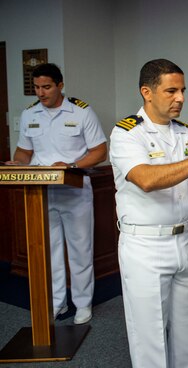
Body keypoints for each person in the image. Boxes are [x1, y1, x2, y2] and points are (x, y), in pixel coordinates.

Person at [109, 58, 188, 368]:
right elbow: (147, 179)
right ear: (147, 92)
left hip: (187, 240)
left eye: (182, 90)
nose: (180, 98)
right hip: (145, 246)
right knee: (149, 334)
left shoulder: (185, 133)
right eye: (171, 91)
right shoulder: (127, 133)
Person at [7, 63, 107, 325]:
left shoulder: (81, 112)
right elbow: (24, 152)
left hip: (74, 191)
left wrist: (72, 165)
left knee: (80, 251)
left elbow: (99, 151)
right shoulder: (30, 114)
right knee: (48, 252)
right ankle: (57, 303)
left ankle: (83, 304)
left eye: (47, 87)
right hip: (41, 194)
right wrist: (18, 163)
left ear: (60, 85)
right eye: (37, 87)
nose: (41, 92)